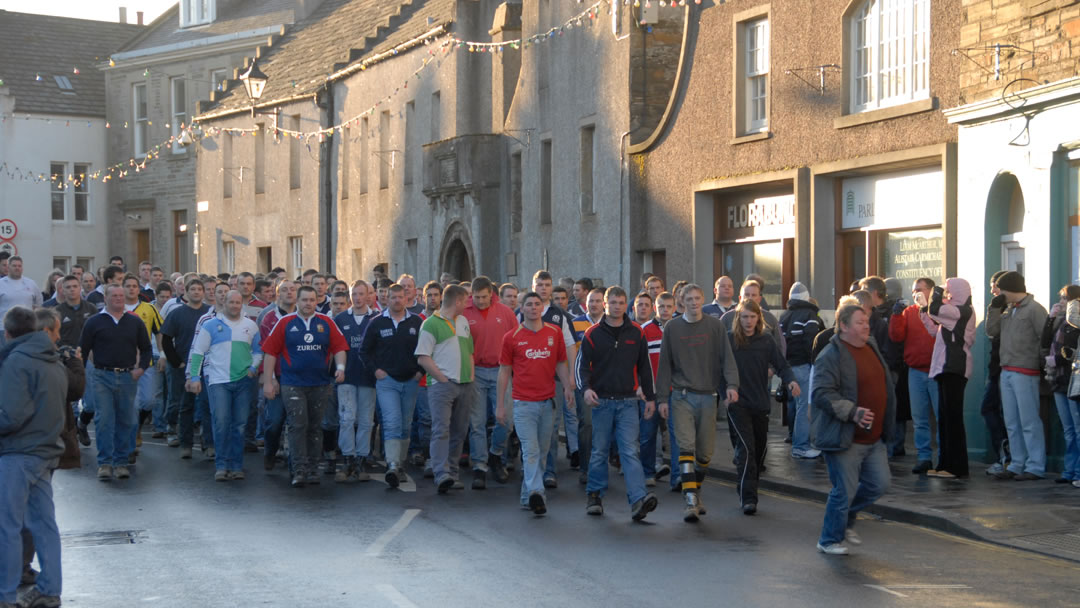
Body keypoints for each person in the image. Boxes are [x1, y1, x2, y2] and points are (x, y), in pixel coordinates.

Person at [0, 307, 70, 608]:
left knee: (7, 526)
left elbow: (11, 416)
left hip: (18, 452)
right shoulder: (54, 361)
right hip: (45, 451)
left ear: (8, 332)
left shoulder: (17, 361)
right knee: (44, 525)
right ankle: (49, 589)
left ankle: (4, 594)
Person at [812, 303, 895, 555]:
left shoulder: (871, 346)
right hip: (845, 437)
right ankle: (828, 540)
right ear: (844, 326)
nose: (866, 326)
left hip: (873, 436)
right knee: (843, 491)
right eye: (860, 322)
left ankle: (846, 519)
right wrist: (853, 412)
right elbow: (821, 393)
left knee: (880, 484)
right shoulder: (831, 354)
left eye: (867, 321)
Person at [578, 286, 659, 522]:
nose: (617, 306)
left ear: (627, 305)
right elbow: (581, 367)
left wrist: (651, 398)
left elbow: (645, 368)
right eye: (612, 302)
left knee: (630, 452)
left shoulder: (636, 332)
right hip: (601, 401)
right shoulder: (592, 334)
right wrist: (586, 389)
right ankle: (594, 495)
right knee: (600, 451)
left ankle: (638, 500)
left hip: (628, 402)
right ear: (605, 304)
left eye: (621, 302)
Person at [496, 291, 574, 515]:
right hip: (523, 404)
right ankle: (537, 492)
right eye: (528, 304)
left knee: (541, 451)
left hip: (547, 401)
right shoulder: (511, 337)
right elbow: (503, 373)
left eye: (536, 304)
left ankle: (526, 496)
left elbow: (560, 362)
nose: (532, 308)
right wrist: (501, 405)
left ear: (543, 307)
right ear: (521, 309)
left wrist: (568, 386)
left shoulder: (555, 333)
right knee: (530, 450)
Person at [261, 286, 347, 488]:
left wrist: (340, 368)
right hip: (292, 383)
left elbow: (340, 347)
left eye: (312, 300)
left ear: (317, 301)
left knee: (315, 427)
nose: (308, 303)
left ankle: (312, 468)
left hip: (320, 384)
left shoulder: (326, 323)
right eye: (304, 300)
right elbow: (270, 352)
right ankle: (298, 469)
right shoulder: (285, 322)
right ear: (297, 302)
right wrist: (268, 381)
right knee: (298, 425)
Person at [728, 299, 799, 514]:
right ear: (738, 319)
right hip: (737, 404)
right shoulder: (730, 340)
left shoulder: (766, 341)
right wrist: (725, 392)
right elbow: (718, 368)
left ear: (758, 318)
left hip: (760, 403)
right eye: (744, 317)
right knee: (747, 450)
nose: (748, 321)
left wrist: (791, 381)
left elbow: (781, 365)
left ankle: (746, 481)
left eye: (752, 316)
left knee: (759, 452)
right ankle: (749, 498)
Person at [187, 290, 263, 481]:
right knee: (221, 423)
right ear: (224, 303)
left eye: (238, 303)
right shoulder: (210, 325)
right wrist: (194, 377)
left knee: (239, 425)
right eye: (232, 302)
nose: (235, 306)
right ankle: (221, 465)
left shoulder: (251, 326)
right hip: (218, 381)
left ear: (241, 305)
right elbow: (198, 352)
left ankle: (236, 466)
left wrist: (253, 368)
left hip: (243, 382)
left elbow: (259, 351)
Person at [79, 285, 152, 480]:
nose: (119, 299)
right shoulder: (94, 322)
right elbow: (83, 350)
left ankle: (121, 462)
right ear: (106, 297)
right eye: (114, 296)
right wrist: (80, 376)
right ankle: (104, 463)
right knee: (104, 421)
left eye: (121, 295)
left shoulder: (134, 322)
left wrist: (141, 369)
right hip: (102, 376)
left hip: (128, 376)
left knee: (126, 420)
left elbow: (146, 348)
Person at [986, 271, 1048, 480]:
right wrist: (994, 309)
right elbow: (992, 331)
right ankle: (1017, 463)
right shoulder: (1008, 309)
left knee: (1029, 421)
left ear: (1010, 289)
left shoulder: (1035, 309)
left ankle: (1036, 465)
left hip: (1026, 371)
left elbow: (1044, 338)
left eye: (1002, 289)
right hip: (1007, 370)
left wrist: (1042, 364)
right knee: (1011, 421)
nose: (999, 292)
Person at [361, 284, 424, 488]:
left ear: (406, 298)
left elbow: (427, 349)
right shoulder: (376, 323)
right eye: (393, 297)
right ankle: (393, 464)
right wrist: (375, 370)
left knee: (405, 424)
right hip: (387, 381)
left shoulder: (417, 322)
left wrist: (420, 372)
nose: (397, 300)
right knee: (392, 422)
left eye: (400, 297)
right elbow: (364, 351)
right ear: (386, 299)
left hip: (411, 380)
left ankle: (401, 464)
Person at [519, 270, 577, 488]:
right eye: (539, 284)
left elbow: (569, 345)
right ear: (533, 285)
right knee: (528, 429)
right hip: (527, 381)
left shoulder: (558, 315)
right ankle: (530, 469)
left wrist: (570, 376)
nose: (543, 288)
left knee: (550, 428)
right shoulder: (521, 312)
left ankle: (549, 471)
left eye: (547, 284)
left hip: (553, 380)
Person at [415, 284, 475, 493]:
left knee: (459, 430)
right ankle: (441, 473)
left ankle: (453, 473)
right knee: (441, 430)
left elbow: (469, 351)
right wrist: (442, 379)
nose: (468, 304)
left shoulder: (464, 321)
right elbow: (423, 357)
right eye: (465, 300)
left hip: (465, 384)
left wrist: (471, 375)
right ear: (457, 301)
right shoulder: (431, 324)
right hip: (443, 386)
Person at [463, 276, 518, 488]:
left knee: (506, 419)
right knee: (476, 422)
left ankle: (495, 454)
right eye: (476, 297)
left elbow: (516, 342)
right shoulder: (464, 313)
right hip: (475, 372)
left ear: (491, 294)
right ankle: (479, 466)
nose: (480, 301)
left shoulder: (505, 313)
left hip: (501, 371)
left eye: (484, 297)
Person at [925, 279, 976, 479]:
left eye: (949, 290)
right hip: (945, 368)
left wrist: (934, 295)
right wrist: (924, 311)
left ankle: (957, 467)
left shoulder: (963, 311)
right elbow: (934, 325)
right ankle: (944, 464)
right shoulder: (954, 312)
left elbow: (935, 310)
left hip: (955, 367)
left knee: (953, 419)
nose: (947, 294)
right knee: (945, 418)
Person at [888, 278, 940, 474]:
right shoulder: (908, 312)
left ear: (930, 290)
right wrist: (896, 315)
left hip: (936, 371)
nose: (915, 293)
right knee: (920, 419)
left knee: (941, 416)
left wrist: (928, 309)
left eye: (919, 289)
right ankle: (924, 457)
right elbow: (896, 336)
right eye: (913, 290)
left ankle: (943, 456)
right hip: (915, 370)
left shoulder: (938, 310)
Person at [160, 279, 212, 459]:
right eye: (193, 289)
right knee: (184, 405)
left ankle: (208, 443)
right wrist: (177, 362)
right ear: (186, 292)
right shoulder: (177, 313)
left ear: (204, 292)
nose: (196, 292)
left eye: (200, 289)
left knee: (206, 406)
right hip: (182, 366)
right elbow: (166, 340)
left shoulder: (210, 313)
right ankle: (186, 443)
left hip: (206, 368)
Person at [334, 281, 378, 482]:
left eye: (362, 294)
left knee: (366, 421)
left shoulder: (376, 317)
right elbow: (335, 347)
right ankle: (347, 459)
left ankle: (361, 459)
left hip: (368, 377)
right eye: (354, 294)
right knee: (346, 419)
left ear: (369, 295)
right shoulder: (340, 318)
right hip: (347, 376)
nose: (358, 298)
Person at [779, 282, 824, 459]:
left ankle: (799, 442)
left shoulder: (784, 316)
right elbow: (811, 342)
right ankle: (801, 446)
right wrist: (815, 364)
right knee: (804, 407)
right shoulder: (810, 314)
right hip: (804, 366)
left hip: (788, 367)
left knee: (797, 406)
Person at [257, 280, 297, 471]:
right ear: (277, 294)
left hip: (298, 378)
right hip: (278, 376)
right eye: (284, 290)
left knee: (296, 422)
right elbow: (265, 351)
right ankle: (270, 452)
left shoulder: (303, 315)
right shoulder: (268, 319)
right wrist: (269, 378)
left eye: (292, 289)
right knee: (274, 421)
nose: (289, 293)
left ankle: (294, 462)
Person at [1044, 285, 1080, 484]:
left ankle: (1077, 471)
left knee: (1077, 428)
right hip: (1058, 380)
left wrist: (1055, 360)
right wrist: (1050, 319)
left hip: (1073, 380)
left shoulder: (1075, 322)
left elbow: (1070, 350)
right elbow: (1044, 342)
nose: (1062, 302)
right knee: (1068, 429)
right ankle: (1069, 470)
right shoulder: (1061, 322)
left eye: (1065, 298)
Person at [571, 288, 606, 486]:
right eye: (591, 301)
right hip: (584, 383)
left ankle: (601, 466)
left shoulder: (611, 323)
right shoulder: (575, 323)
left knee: (605, 427)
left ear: (604, 303)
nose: (594, 304)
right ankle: (585, 468)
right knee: (587, 424)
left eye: (598, 301)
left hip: (607, 384)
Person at [633, 292, 665, 487]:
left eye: (647, 305)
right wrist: (637, 386)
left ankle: (658, 464)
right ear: (634, 308)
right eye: (640, 305)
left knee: (658, 430)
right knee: (644, 431)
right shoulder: (636, 330)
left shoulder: (664, 330)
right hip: (642, 389)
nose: (643, 308)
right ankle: (645, 469)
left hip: (662, 389)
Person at [981, 271, 1011, 475]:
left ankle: (1007, 454)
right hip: (995, 367)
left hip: (1007, 366)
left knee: (999, 410)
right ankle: (1004, 453)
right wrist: (994, 307)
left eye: (995, 286)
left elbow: (995, 331)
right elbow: (990, 330)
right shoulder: (998, 306)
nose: (992, 290)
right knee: (989, 408)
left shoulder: (1013, 308)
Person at [720, 280, 784, 354]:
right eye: (747, 295)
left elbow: (780, 346)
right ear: (740, 298)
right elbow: (718, 346)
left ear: (759, 299)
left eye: (753, 295)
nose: (750, 298)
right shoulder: (727, 318)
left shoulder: (770, 318)